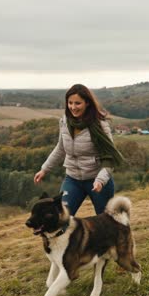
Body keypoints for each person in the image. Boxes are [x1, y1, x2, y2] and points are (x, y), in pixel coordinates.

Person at [33, 84, 125, 216]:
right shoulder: (65, 122)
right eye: (70, 103)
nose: (73, 107)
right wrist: (44, 169)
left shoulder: (100, 125)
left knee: (106, 223)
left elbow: (109, 158)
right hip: (73, 179)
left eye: (77, 103)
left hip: (97, 180)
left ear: (87, 103)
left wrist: (100, 180)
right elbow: (60, 148)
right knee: (61, 218)